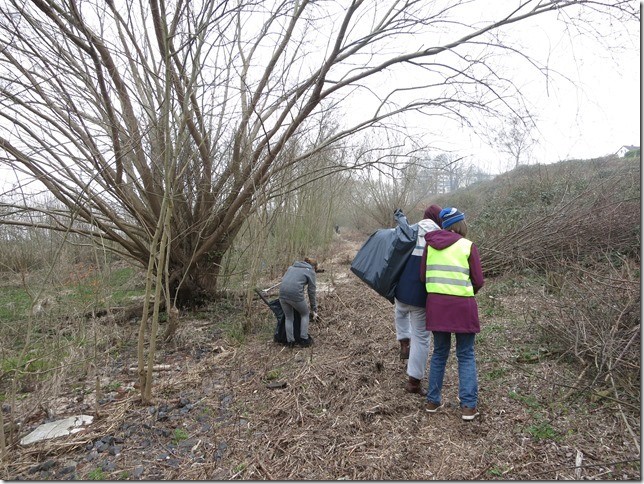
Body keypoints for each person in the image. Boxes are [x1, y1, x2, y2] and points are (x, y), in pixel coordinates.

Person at [421, 207, 484, 420]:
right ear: (460, 224)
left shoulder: (430, 247)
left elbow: (423, 277)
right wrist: (465, 292)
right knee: (465, 355)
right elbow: (478, 280)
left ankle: (432, 401)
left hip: (437, 308)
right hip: (463, 308)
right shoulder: (468, 246)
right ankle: (468, 406)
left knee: (439, 353)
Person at [393, 204, 442, 394]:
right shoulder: (440, 238)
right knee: (421, 337)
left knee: (400, 311)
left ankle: (404, 341)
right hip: (421, 295)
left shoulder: (409, 230)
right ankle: (413, 382)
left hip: (401, 290)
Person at [278, 257, 318, 347]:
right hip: (295, 295)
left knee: (289, 318)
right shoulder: (310, 271)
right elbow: (311, 292)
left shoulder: (291, 268)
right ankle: (304, 339)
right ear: (314, 267)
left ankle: (290, 342)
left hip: (282, 294)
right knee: (305, 314)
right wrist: (314, 309)